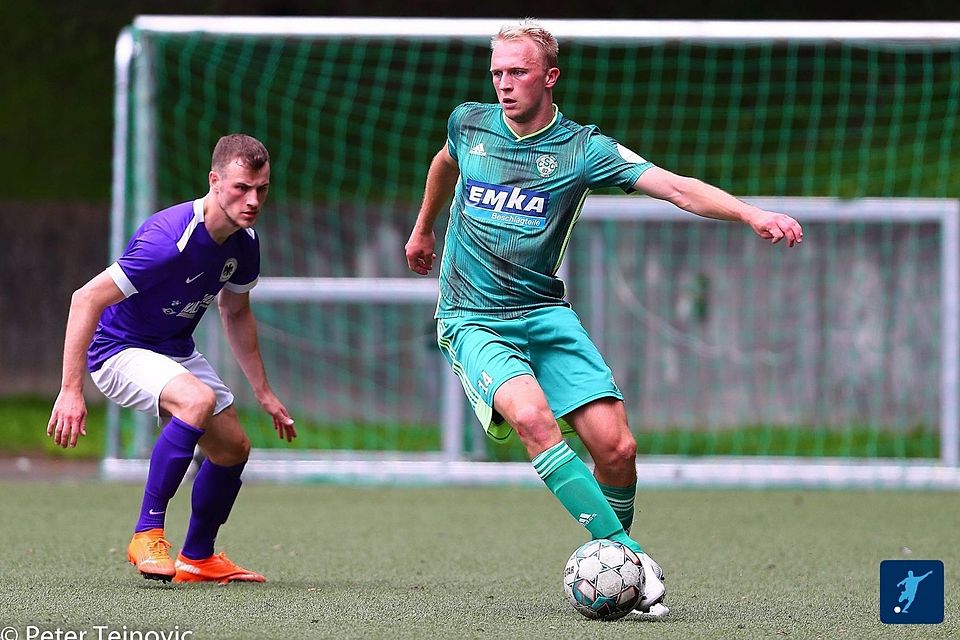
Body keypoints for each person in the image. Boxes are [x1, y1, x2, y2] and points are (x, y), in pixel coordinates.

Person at [404, 20, 803, 619]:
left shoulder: (583, 150)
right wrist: (422, 229)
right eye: (497, 73)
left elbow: (675, 187)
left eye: (517, 72)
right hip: (472, 316)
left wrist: (750, 214)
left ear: (550, 76)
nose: (504, 84)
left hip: (543, 312)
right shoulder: (470, 124)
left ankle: (617, 573)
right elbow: (444, 163)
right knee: (534, 419)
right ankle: (632, 561)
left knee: (617, 448)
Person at [47, 134, 297, 584]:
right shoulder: (168, 240)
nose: (253, 200)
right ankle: (147, 533)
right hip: (118, 350)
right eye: (242, 188)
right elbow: (85, 299)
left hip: (175, 350)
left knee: (232, 448)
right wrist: (70, 390)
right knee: (196, 400)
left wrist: (263, 392)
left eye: (262, 189)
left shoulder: (245, 243)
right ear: (214, 181)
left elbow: (236, 312)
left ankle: (197, 558)